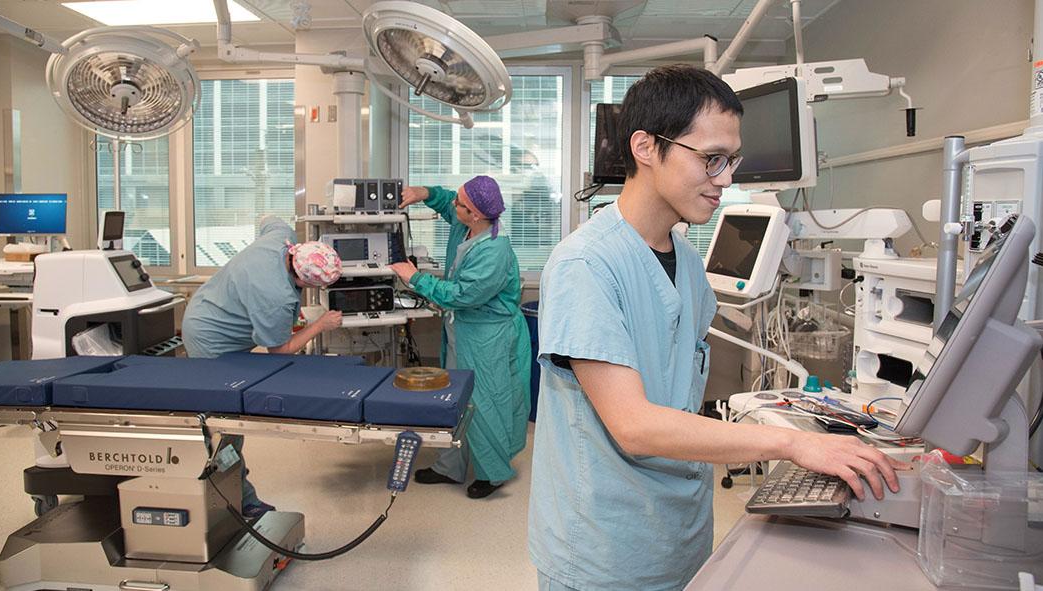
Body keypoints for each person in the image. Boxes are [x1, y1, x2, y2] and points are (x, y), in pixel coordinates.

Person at [527, 65, 908, 591]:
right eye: (711, 159)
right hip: (605, 544)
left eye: (731, 160)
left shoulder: (686, 261)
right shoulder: (585, 265)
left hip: (680, 528)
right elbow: (634, 425)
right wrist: (791, 446)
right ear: (645, 147)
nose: (726, 179)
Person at [182, 215, 344, 516]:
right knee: (225, 424)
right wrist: (320, 325)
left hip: (214, 308)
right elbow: (281, 351)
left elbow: (270, 219)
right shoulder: (275, 296)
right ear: (303, 280)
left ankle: (231, 490)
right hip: (210, 337)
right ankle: (238, 498)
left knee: (227, 421)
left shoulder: (280, 239)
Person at [388, 176, 531, 499]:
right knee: (454, 399)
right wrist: (423, 192)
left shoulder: (494, 250)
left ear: (476, 214)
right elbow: (445, 199)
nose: (454, 205)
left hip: (488, 337)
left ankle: (492, 472)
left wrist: (415, 278)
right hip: (463, 331)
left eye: (460, 204)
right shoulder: (467, 223)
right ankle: (449, 466)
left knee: (485, 403)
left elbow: (464, 295)